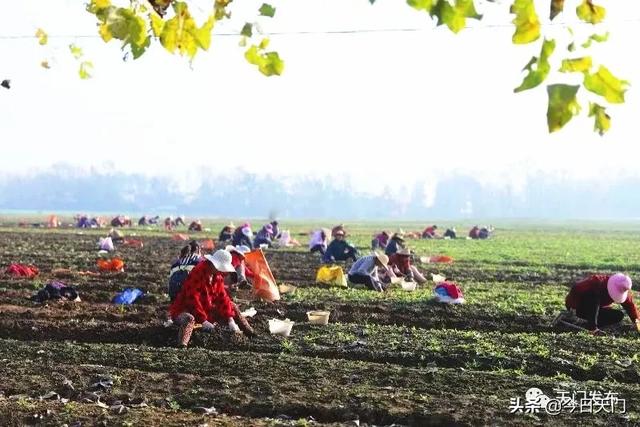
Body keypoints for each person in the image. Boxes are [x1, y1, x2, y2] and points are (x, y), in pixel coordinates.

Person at [168, 249, 243, 347]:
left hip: (206, 310)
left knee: (232, 306)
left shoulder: (217, 276)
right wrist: (203, 320)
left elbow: (222, 297)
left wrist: (230, 319)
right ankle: (182, 345)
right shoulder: (198, 272)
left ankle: (249, 332)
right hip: (185, 309)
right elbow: (192, 299)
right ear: (214, 264)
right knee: (189, 319)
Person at [562, 273, 640, 335]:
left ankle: (588, 324)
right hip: (578, 307)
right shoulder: (597, 282)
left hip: (596, 310)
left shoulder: (622, 288)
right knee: (594, 298)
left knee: (619, 315)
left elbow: (630, 306)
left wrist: (637, 322)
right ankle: (592, 328)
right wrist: (573, 306)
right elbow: (576, 288)